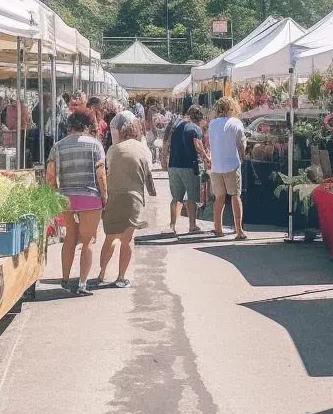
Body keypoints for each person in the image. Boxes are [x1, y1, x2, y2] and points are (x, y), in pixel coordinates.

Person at [46, 109, 107, 296]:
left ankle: (65, 278)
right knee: (88, 240)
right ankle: (82, 283)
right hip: (89, 197)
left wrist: (52, 195)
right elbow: (101, 175)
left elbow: (50, 174)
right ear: (88, 125)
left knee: (70, 237)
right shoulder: (95, 145)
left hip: (66, 198)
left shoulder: (58, 146)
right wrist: (105, 197)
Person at [95, 118, 156, 288]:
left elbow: (107, 170)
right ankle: (121, 277)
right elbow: (148, 174)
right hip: (133, 198)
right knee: (126, 239)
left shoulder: (113, 149)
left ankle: (101, 273)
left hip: (114, 197)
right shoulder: (144, 149)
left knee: (110, 238)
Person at [165, 104, 209, 235]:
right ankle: (192, 226)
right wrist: (206, 157)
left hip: (174, 165)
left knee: (176, 198)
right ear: (199, 117)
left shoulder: (177, 127)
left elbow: (168, 143)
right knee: (192, 198)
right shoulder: (195, 128)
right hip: (189, 166)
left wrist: (164, 159)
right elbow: (197, 144)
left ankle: (172, 225)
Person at [208, 97, 248, 240]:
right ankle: (239, 231)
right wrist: (243, 156)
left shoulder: (212, 123)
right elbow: (241, 144)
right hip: (231, 164)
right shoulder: (236, 122)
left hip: (216, 166)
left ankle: (218, 228)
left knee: (219, 198)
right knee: (235, 196)